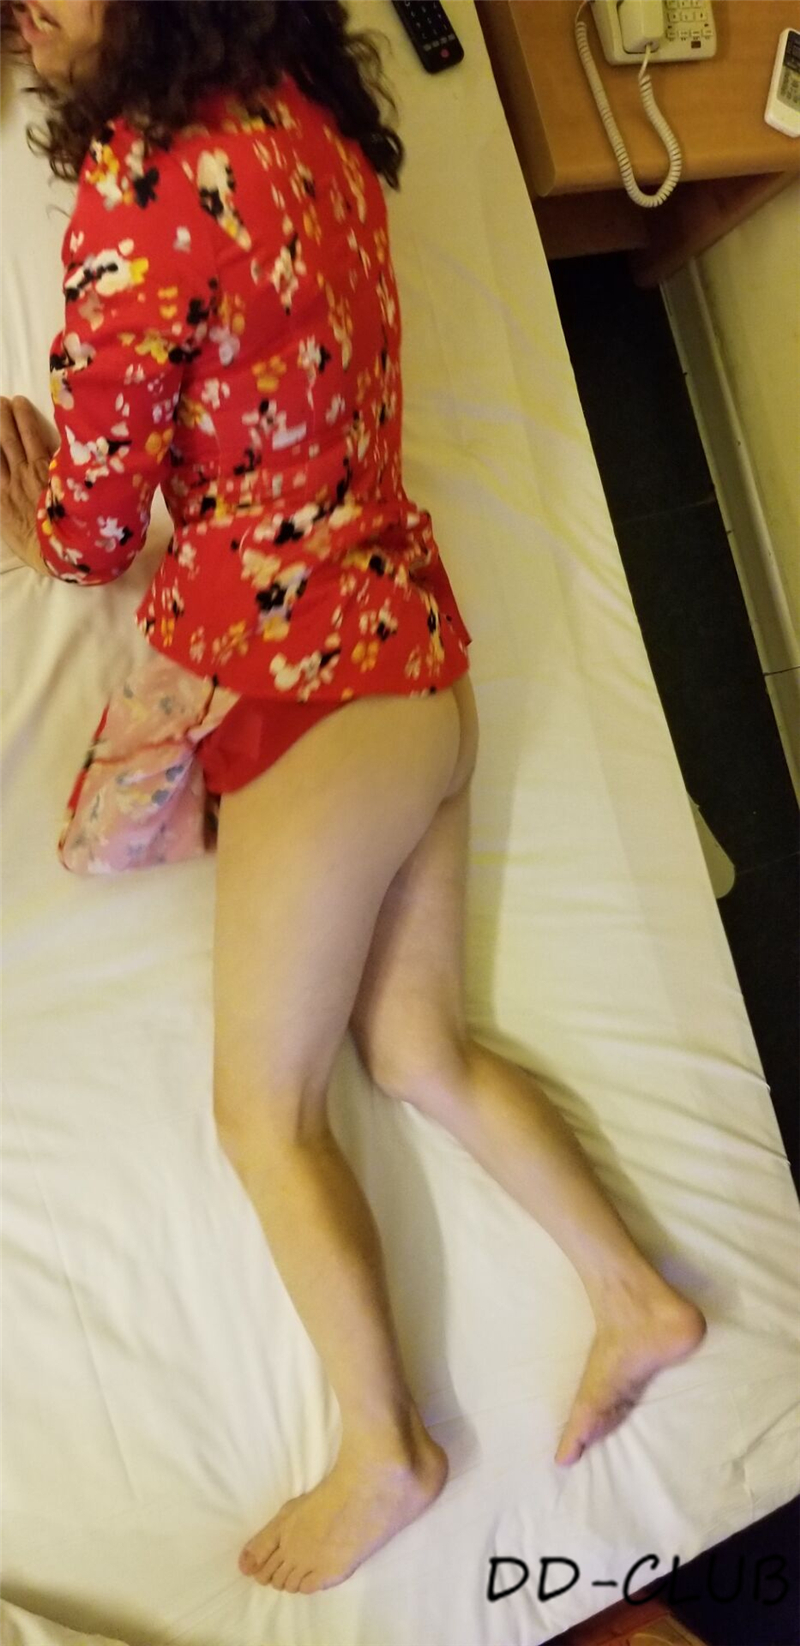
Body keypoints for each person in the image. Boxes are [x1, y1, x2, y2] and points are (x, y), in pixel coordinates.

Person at [0, 0, 705, 1597]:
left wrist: (34, 511)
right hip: (411, 649)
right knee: (417, 1052)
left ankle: (387, 1447)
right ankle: (638, 1298)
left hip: (316, 695)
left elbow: (98, 530)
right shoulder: (305, 111)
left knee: (263, 1109)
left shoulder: (139, 188)